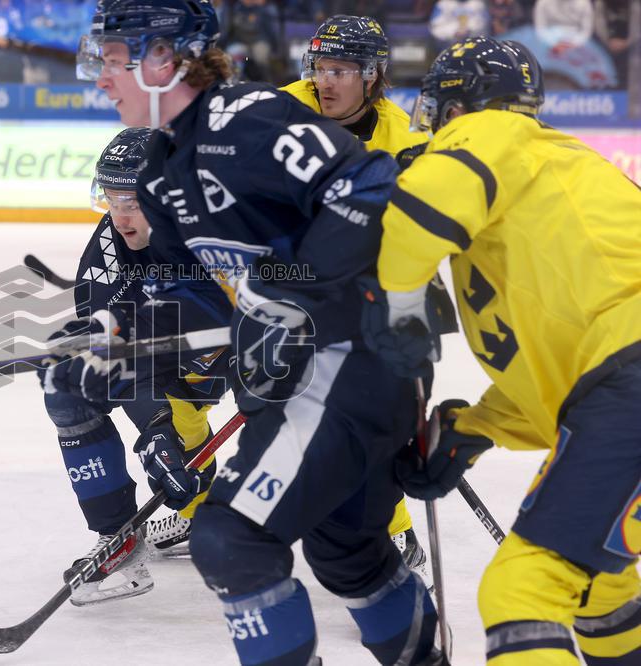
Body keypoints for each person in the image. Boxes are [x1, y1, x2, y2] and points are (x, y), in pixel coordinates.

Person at [78, 1, 446, 663]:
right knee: (346, 554)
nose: (100, 81)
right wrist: (117, 338)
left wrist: (286, 293)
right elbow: (166, 284)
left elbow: (369, 188)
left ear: (164, 63)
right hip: (312, 370)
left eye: (112, 63)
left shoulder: (247, 118)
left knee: (231, 537)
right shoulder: (161, 168)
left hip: (357, 353)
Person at [364, 36, 641, 664]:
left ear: (461, 110)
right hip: (622, 382)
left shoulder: (492, 132)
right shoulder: (539, 186)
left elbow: (413, 216)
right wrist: (472, 427)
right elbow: (564, 377)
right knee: (599, 587)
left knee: (521, 588)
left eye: (439, 111)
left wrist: (401, 304)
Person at [38, 126, 233, 606]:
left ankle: (384, 533)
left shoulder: (219, 231)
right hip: (174, 350)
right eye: (111, 200)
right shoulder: (109, 244)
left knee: (331, 441)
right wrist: (156, 429)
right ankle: (119, 537)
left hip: (255, 344)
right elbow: (118, 354)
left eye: (133, 202)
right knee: (68, 383)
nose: (120, 217)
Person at [280, 14, 434, 587]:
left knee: (372, 416)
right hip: (283, 283)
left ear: (373, 76)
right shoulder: (278, 114)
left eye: (341, 70)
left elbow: (420, 229)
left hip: (369, 289)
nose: (325, 81)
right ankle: (201, 506)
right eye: (320, 67)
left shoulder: (406, 135)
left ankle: (388, 523)